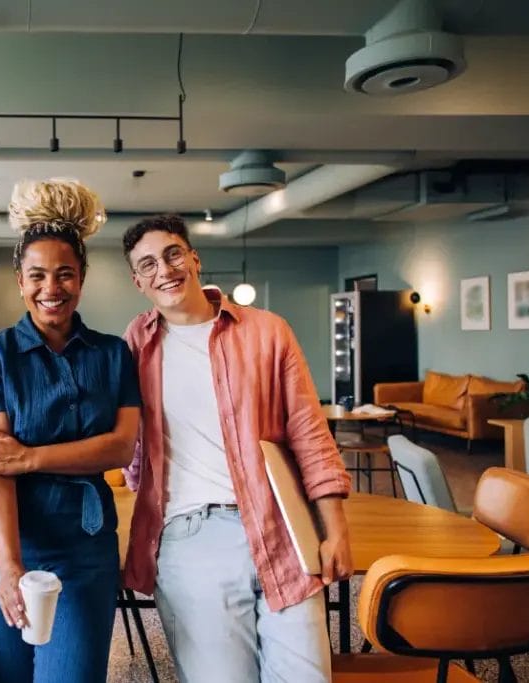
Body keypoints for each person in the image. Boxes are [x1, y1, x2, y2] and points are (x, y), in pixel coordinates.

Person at [120, 215, 352, 683]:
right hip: (190, 537)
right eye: (148, 264)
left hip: (282, 528)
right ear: (138, 281)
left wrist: (336, 529)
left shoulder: (267, 331)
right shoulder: (135, 344)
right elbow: (129, 447)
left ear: (194, 258)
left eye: (172, 254)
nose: (164, 269)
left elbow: (309, 432)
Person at [0, 179, 141, 682]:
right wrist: (8, 566)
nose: (51, 289)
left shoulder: (112, 355)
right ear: (19, 279)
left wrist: (31, 457)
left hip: (84, 537)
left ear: (82, 277)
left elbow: (121, 447)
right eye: (37, 275)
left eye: (64, 275)